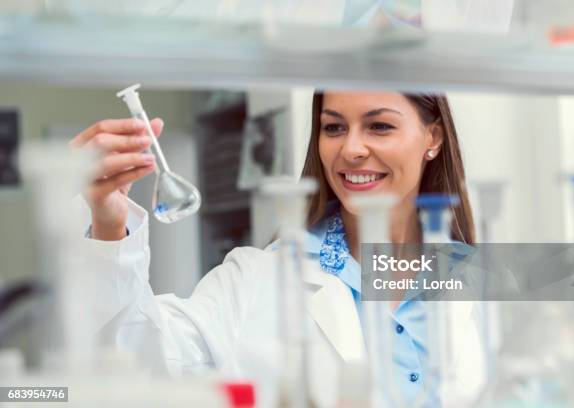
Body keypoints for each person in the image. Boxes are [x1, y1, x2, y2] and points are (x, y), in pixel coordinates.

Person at [69, 91, 484, 407]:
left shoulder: (492, 282)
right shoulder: (256, 280)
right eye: (334, 127)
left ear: (433, 137)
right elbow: (134, 360)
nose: (351, 149)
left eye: (379, 127)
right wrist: (109, 219)